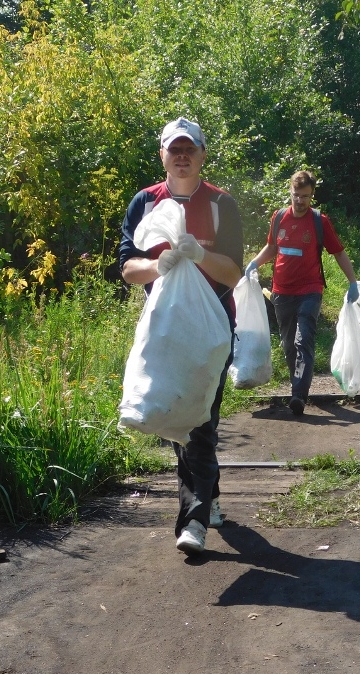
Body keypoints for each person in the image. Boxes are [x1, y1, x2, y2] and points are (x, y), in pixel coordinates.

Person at [118, 117, 244, 555]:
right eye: (175, 149)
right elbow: (128, 269)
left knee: (202, 421)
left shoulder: (221, 205)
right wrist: (159, 266)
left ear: (203, 155)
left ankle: (193, 522)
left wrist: (199, 254)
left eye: (190, 149)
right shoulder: (144, 203)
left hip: (212, 330)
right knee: (179, 418)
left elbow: (234, 271)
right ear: (163, 156)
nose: (183, 156)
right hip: (166, 331)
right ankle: (208, 496)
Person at [245, 170, 359, 416]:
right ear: (290, 192)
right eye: (296, 195)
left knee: (303, 339)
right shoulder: (279, 218)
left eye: (305, 196)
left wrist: (352, 282)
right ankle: (297, 386)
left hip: (310, 290)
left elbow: (338, 252)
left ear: (312, 195)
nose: (300, 200)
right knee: (288, 345)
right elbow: (272, 247)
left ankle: (298, 395)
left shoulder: (320, 221)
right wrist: (254, 263)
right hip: (281, 292)